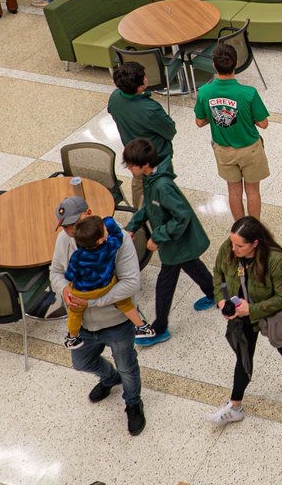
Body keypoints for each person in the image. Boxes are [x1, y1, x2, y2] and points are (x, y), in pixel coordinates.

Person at [50, 194, 146, 436]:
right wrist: (64, 290)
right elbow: (56, 272)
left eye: (73, 224)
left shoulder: (119, 240)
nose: (70, 230)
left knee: (128, 367)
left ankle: (133, 403)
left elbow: (131, 283)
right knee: (81, 362)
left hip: (116, 323)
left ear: (89, 212)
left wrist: (93, 300)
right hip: (82, 324)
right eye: (66, 226)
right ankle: (109, 377)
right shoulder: (64, 240)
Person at [122, 138, 216, 346]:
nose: (128, 168)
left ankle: (160, 328)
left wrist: (158, 236)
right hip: (176, 243)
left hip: (176, 241)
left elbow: (182, 216)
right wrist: (132, 226)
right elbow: (148, 206)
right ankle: (214, 293)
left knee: (165, 283)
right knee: (192, 264)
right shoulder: (150, 179)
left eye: (131, 164)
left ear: (145, 164)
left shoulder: (163, 186)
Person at [209, 215, 282, 424]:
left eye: (240, 246)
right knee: (243, 357)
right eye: (232, 243)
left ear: (255, 243)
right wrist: (221, 301)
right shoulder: (228, 247)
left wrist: (253, 309)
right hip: (242, 317)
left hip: (269, 314)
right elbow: (218, 274)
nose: (233, 249)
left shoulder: (276, 260)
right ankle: (235, 406)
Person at [194, 43, 271, 220]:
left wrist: (214, 116)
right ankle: (254, 228)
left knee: (234, 191)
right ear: (236, 64)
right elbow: (263, 123)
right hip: (250, 149)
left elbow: (199, 122)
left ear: (214, 65)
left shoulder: (205, 91)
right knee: (253, 192)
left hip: (223, 150)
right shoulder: (248, 93)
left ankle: (239, 226)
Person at [62, 211, 156, 349]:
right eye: (105, 230)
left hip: (83, 292)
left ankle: (73, 337)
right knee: (124, 302)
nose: (106, 230)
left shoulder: (77, 255)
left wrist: (70, 286)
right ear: (100, 240)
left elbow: (70, 275)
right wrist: (108, 221)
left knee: (75, 312)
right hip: (107, 286)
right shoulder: (109, 247)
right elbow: (118, 234)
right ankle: (141, 326)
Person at [108, 61, 176, 209]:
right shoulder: (150, 109)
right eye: (144, 76)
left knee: (138, 184)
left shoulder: (115, 97)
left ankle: (139, 213)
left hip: (132, 152)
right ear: (140, 86)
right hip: (156, 157)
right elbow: (170, 131)